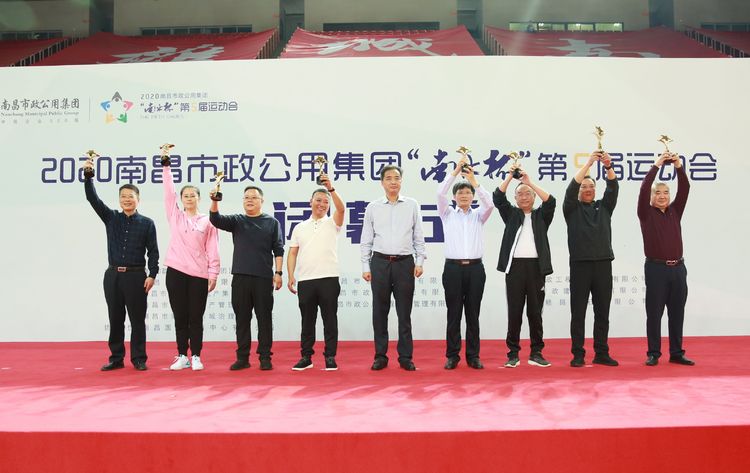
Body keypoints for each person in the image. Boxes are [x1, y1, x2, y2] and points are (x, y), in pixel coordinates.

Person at [83, 158, 159, 371]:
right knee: (115, 318)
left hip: (136, 276)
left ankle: (139, 358)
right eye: (123, 197)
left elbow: (153, 252)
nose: (127, 200)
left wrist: (152, 274)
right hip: (113, 276)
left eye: (130, 196)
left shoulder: (147, 223)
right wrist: (88, 175)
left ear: (138, 199)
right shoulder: (111, 218)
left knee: (137, 320)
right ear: (119, 200)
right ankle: (116, 358)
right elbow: (92, 198)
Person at [209, 185, 283, 371]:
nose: (249, 200)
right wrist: (215, 201)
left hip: (263, 278)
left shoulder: (272, 222)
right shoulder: (237, 221)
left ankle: (265, 357)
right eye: (246, 197)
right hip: (241, 277)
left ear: (262, 201)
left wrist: (278, 273)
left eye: (254, 197)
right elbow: (215, 219)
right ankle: (242, 358)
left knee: (264, 319)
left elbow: (278, 249)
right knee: (242, 319)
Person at [361, 165, 426, 371]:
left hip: (405, 263)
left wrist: (420, 261)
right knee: (379, 312)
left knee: (404, 312)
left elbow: (418, 236)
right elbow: (366, 239)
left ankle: (405, 357)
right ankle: (380, 356)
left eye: (397, 178)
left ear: (401, 181)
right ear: (382, 182)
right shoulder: (373, 207)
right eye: (388, 178)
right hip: (379, 263)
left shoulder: (412, 205)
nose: (393, 182)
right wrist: (365, 265)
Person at [494, 163, 556, 368]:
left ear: (534, 197)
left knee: (535, 312)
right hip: (515, 269)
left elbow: (551, 201)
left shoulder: (541, 216)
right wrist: (510, 177)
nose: (524, 197)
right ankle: (513, 353)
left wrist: (529, 183)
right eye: (520, 194)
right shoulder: (511, 215)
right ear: (515, 199)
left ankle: (536, 353)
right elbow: (498, 197)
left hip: (537, 269)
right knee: (515, 312)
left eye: (528, 193)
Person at [162, 160, 220, 371]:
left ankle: (195, 355)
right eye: (185, 196)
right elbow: (169, 193)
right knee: (180, 316)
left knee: (196, 317)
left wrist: (213, 273)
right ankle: (181, 355)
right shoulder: (175, 216)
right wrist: (166, 166)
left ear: (199, 198)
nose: (189, 198)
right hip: (176, 272)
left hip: (199, 275)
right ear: (181, 199)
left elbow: (213, 249)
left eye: (192, 195)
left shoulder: (207, 221)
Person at [563, 150, 619, 368]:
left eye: (591, 187)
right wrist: (588, 164)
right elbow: (570, 189)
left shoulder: (604, 207)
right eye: (584, 187)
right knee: (578, 312)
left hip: (603, 264)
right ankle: (578, 354)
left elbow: (613, 188)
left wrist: (608, 166)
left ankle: (601, 352)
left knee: (602, 311)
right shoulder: (571, 209)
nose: (588, 189)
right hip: (580, 265)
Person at [637, 152, 693, 366]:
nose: (662, 196)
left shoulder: (675, 211)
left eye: (665, 192)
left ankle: (676, 352)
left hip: (678, 269)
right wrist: (657, 165)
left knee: (677, 312)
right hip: (656, 269)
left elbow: (685, 188)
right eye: (657, 193)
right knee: (654, 313)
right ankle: (653, 353)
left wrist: (678, 165)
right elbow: (644, 188)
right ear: (652, 197)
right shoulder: (646, 213)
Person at [437, 155, 492, 370]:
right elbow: (439, 193)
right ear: (454, 197)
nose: (464, 195)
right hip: (453, 269)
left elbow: (490, 203)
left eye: (468, 192)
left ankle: (473, 355)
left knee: (473, 314)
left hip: (476, 269)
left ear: (472, 196)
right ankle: (452, 355)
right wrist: (455, 171)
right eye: (460, 193)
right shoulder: (447, 213)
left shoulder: (479, 215)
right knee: (453, 313)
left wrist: (473, 181)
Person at [287, 173, 345, 371]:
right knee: (307, 321)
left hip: (329, 278)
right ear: (310, 202)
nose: (322, 204)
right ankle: (306, 357)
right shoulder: (299, 227)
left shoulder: (333, 222)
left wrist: (331, 189)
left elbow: (341, 209)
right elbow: (292, 253)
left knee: (330, 320)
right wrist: (291, 275)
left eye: (325, 202)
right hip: (306, 280)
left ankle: (330, 356)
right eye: (318, 200)